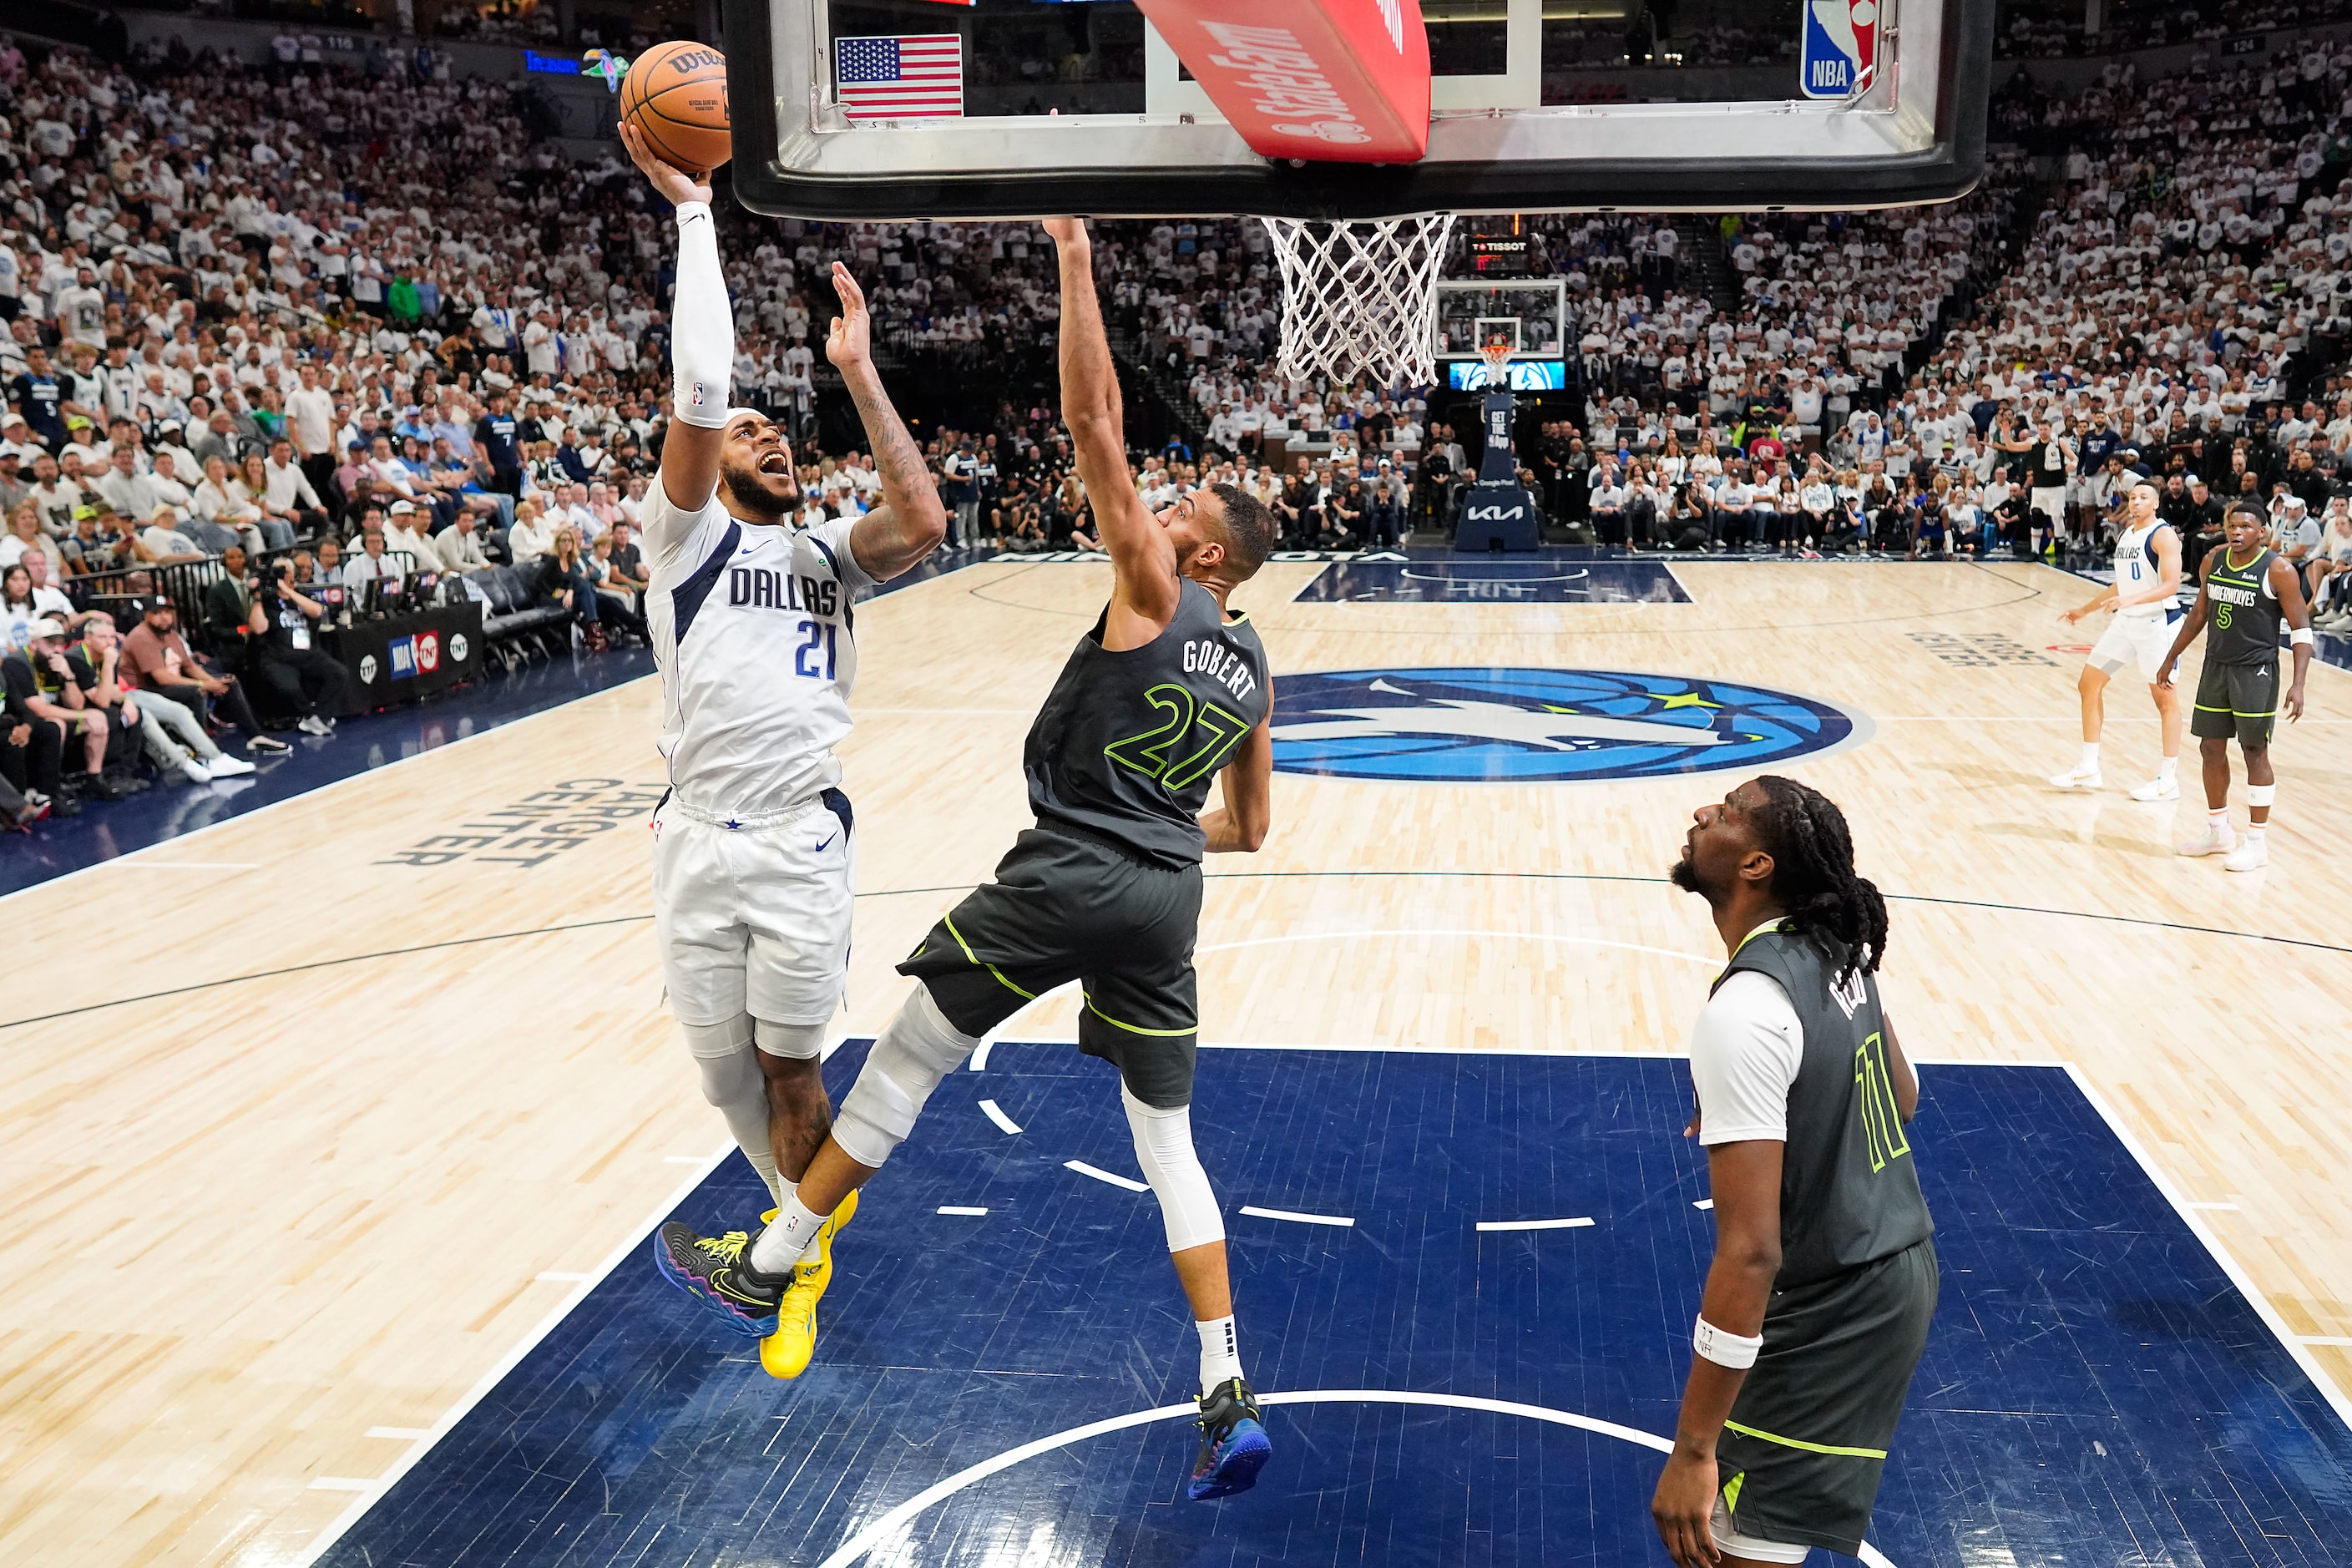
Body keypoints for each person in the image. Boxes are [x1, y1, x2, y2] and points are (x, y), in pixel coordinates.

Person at [673, 215, 1281, 1502]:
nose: (1157, 513)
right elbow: (1253, 829)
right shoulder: (1258, 662)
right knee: (1169, 1142)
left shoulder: (1158, 588)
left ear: (1207, 552)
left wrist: (1073, 255)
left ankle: (771, 1259)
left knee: (904, 1060)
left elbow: (1094, 428)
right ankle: (1223, 1379)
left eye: (1180, 512)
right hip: (1169, 894)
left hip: (1072, 870)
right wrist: (1162, 836)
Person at [616, 127, 945, 1382]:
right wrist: (695, 214)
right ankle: (795, 1226)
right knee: (722, 1078)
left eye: (778, 433)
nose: (768, 437)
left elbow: (918, 518)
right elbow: (702, 390)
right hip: (695, 837)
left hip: (801, 836)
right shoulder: (684, 543)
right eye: (753, 432)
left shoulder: (824, 556)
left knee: (791, 1068)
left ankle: (788, 1256)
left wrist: (856, 371)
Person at [1652, 776, 1935, 1568]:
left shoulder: (1745, 1009)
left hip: (1836, 1305)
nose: (1703, 813)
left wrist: (1692, 1450)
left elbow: (1750, 1253)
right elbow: (1901, 1096)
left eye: (1729, 814)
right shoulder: (1832, 944)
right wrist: (1774, 1111)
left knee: (1730, 1546)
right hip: (1886, 1267)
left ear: (1755, 866)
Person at [2160, 500, 2314, 872]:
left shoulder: (2278, 570)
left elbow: (2302, 629)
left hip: (2256, 671)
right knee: (2210, 748)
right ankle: (2219, 831)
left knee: (2254, 751)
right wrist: (2171, 655)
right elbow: (2199, 612)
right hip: (2216, 667)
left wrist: (2298, 684)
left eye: (2246, 526)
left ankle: (2257, 842)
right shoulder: (2213, 561)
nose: (2237, 531)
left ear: (2263, 532)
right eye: (2233, 525)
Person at [2048, 483, 2185, 799]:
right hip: (2127, 622)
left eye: (2143, 498)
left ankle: (2168, 780)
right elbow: (2120, 585)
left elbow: (2171, 585)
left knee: (2165, 700)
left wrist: (2131, 600)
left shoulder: (2163, 536)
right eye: (2132, 497)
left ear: (2155, 504)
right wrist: (2085, 610)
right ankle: (2088, 767)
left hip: (2157, 625)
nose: (2135, 502)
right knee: (2089, 683)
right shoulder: (2127, 535)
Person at [120, 596, 291, 756]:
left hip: (169, 683)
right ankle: (202, 749)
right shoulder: (141, 637)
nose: (163, 618)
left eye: (166, 612)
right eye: (156, 613)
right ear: (145, 615)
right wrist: (204, 684)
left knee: (228, 681)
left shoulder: (170, 634)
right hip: (145, 690)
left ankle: (255, 737)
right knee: (197, 690)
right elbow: (161, 678)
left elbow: (189, 665)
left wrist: (213, 682)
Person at [249, 559, 351, 735]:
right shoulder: (266, 600)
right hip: (278, 657)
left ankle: (320, 717)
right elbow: (258, 628)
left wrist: (288, 590)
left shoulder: (301, 595)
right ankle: (309, 716)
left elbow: (317, 611)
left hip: (308, 653)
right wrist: (258, 597)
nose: (282, 575)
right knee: (290, 686)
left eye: (285, 571)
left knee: (339, 673)